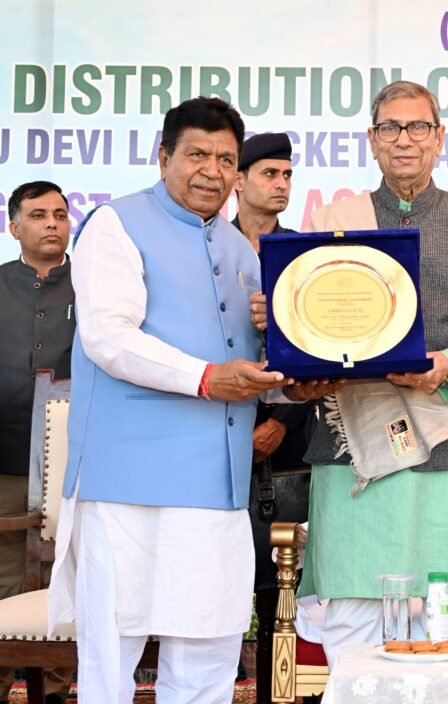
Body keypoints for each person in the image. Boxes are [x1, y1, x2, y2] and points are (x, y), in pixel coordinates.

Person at [46, 97, 341, 704]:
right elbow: (109, 338)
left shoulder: (241, 252)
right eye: (196, 155)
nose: (212, 170)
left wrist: (295, 385)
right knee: (113, 653)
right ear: (164, 158)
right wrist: (208, 379)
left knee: (209, 650)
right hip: (126, 483)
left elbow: (247, 365)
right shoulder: (116, 224)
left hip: (216, 487)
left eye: (226, 159)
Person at [298, 80, 448, 668]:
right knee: (354, 624)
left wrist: (447, 366)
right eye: (390, 128)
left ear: (439, 138)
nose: (404, 139)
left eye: (418, 126)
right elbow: (306, 313)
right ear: (372, 140)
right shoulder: (333, 222)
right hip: (355, 456)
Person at [231, 131, 314, 701]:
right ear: (237, 181)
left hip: (286, 445)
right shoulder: (210, 247)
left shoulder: (303, 255)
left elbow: (320, 352)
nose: (281, 184)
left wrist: (281, 420)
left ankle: (275, 692)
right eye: (269, 173)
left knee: (280, 591)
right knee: (214, 585)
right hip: (215, 434)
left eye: (287, 175)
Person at [0, 181, 75, 704]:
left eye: (60, 214)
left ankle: (53, 690)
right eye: (38, 214)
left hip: (75, 463)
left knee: (65, 572)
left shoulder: (94, 287)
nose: (52, 223)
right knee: (5, 573)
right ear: (14, 227)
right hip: (4, 457)